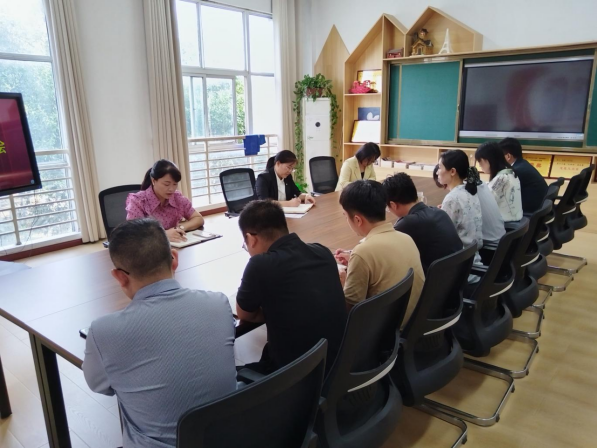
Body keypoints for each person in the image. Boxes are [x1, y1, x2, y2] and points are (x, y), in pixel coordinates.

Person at [83, 218, 236, 448]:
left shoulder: (103, 332)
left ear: (120, 277)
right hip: (231, 438)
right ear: (174, 258)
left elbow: (100, 385)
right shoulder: (219, 304)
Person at [236, 200, 346, 375]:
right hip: (338, 365)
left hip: (296, 376)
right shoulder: (323, 252)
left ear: (251, 238)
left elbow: (244, 314)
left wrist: (272, 310)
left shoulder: (260, 264)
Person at [334, 180, 425, 324]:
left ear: (357, 220)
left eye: (345, 215)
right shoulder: (406, 238)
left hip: (384, 331)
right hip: (413, 323)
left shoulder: (362, 252)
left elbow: (350, 312)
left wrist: (344, 282)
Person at [383, 173, 463, 274]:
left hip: (434, 282)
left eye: (388, 208)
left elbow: (384, 253)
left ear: (393, 205)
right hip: (456, 278)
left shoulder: (406, 224)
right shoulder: (439, 212)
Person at [126, 159, 204, 243]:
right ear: (153, 181)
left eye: (175, 184)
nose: (171, 189)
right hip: (148, 247)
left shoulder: (177, 198)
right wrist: (164, 234)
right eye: (166, 184)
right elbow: (134, 233)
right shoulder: (138, 201)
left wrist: (180, 228)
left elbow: (198, 218)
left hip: (174, 245)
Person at [476, 142, 523, 222]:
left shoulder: (502, 178)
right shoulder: (509, 172)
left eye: (480, 161)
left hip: (506, 223)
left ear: (489, 160)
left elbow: (483, 203)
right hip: (514, 219)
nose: (480, 165)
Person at [500, 137, 548, 213]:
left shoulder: (516, 171)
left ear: (508, 156)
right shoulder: (522, 164)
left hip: (531, 212)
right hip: (540, 208)